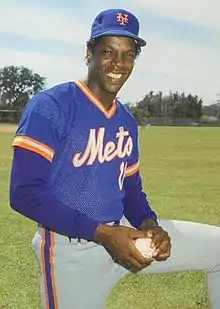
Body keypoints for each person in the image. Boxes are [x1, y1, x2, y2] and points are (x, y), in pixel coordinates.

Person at [9, 8, 220, 309]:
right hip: (71, 249)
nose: (118, 63)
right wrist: (104, 234)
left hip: (124, 233)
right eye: (108, 51)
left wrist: (151, 225)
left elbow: (131, 191)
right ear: (89, 52)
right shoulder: (51, 105)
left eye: (128, 54)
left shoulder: (126, 120)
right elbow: (24, 193)